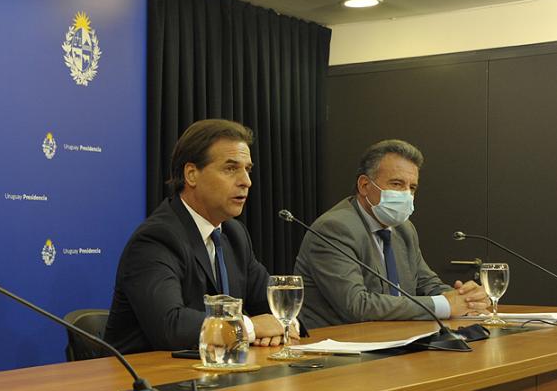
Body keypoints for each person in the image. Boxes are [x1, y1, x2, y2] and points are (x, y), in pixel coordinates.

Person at [104, 119, 284, 353]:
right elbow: (170, 325)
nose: (246, 182)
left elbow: (275, 306)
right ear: (191, 175)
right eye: (231, 169)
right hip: (150, 382)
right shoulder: (156, 239)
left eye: (247, 169)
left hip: (214, 374)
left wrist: (282, 325)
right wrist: (250, 327)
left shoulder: (234, 234)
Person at [295, 139, 489, 329]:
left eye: (412, 187)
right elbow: (357, 305)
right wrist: (445, 305)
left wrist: (467, 299)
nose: (406, 194)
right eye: (396, 184)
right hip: (339, 349)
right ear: (364, 185)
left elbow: (427, 283)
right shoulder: (335, 228)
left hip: (395, 339)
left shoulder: (404, 228)